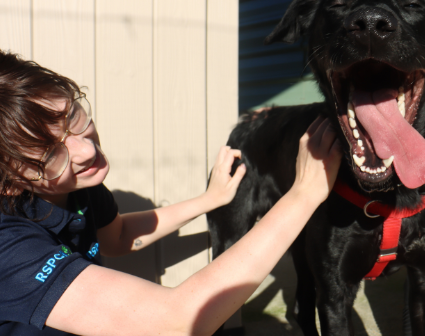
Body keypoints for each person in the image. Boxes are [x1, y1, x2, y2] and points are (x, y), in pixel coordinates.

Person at [0, 50, 342, 336]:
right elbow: (175, 323)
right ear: (10, 183)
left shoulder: (76, 187)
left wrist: (210, 200)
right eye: (48, 155)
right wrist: (303, 195)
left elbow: (118, 236)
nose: (85, 150)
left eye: (72, 116)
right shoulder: (7, 244)